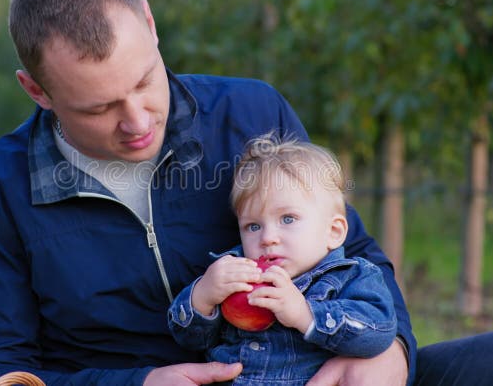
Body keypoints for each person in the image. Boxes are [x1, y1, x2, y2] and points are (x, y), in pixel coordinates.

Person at [0, 0, 493, 386]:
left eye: (146, 81)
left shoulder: (250, 113)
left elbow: (357, 252)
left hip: (312, 369)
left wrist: (389, 353)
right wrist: (138, 383)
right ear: (38, 92)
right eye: (99, 108)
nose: (138, 120)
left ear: (149, 23)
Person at [168, 135, 397, 384]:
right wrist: (201, 298)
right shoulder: (234, 275)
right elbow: (189, 340)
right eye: (253, 226)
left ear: (334, 232)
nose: (267, 238)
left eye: (287, 219)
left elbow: (379, 331)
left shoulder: (351, 277)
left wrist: (306, 315)